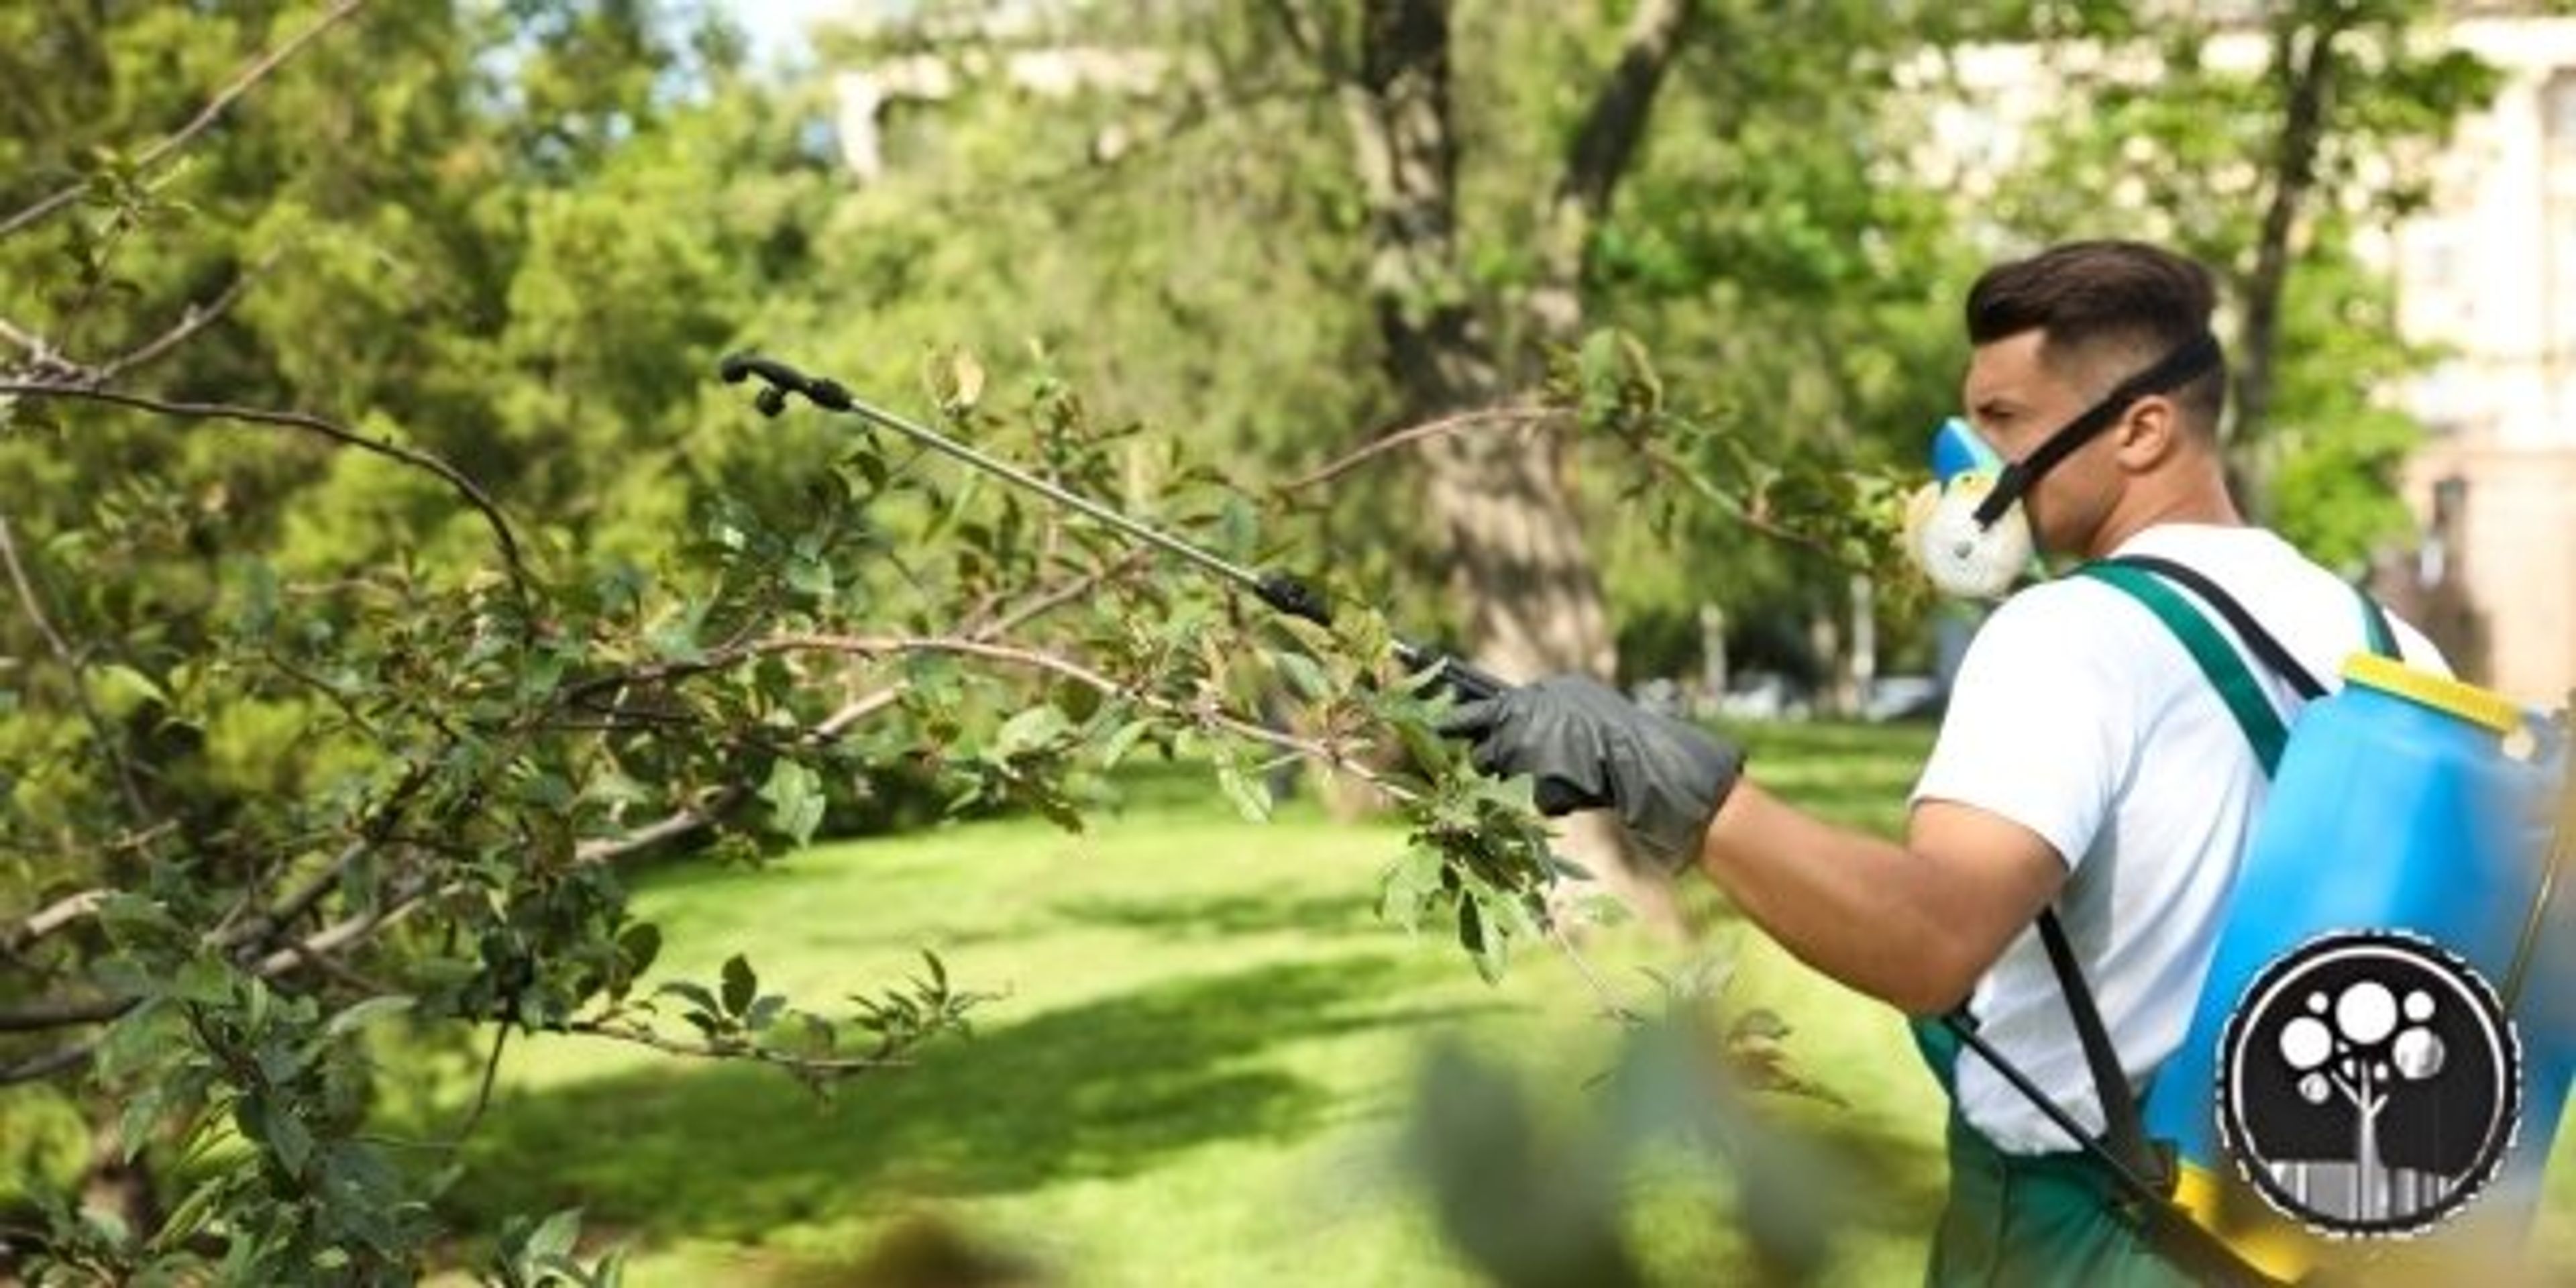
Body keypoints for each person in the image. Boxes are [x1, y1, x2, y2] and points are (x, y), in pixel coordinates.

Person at [1436, 240, 2449, 1287]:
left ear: (2143, 429)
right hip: (2326, 1241)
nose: (1970, 464)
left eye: (2004, 420)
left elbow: (1927, 940)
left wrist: (1663, 779)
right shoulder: (2393, 647)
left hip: (2092, 1241)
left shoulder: (2072, 633)